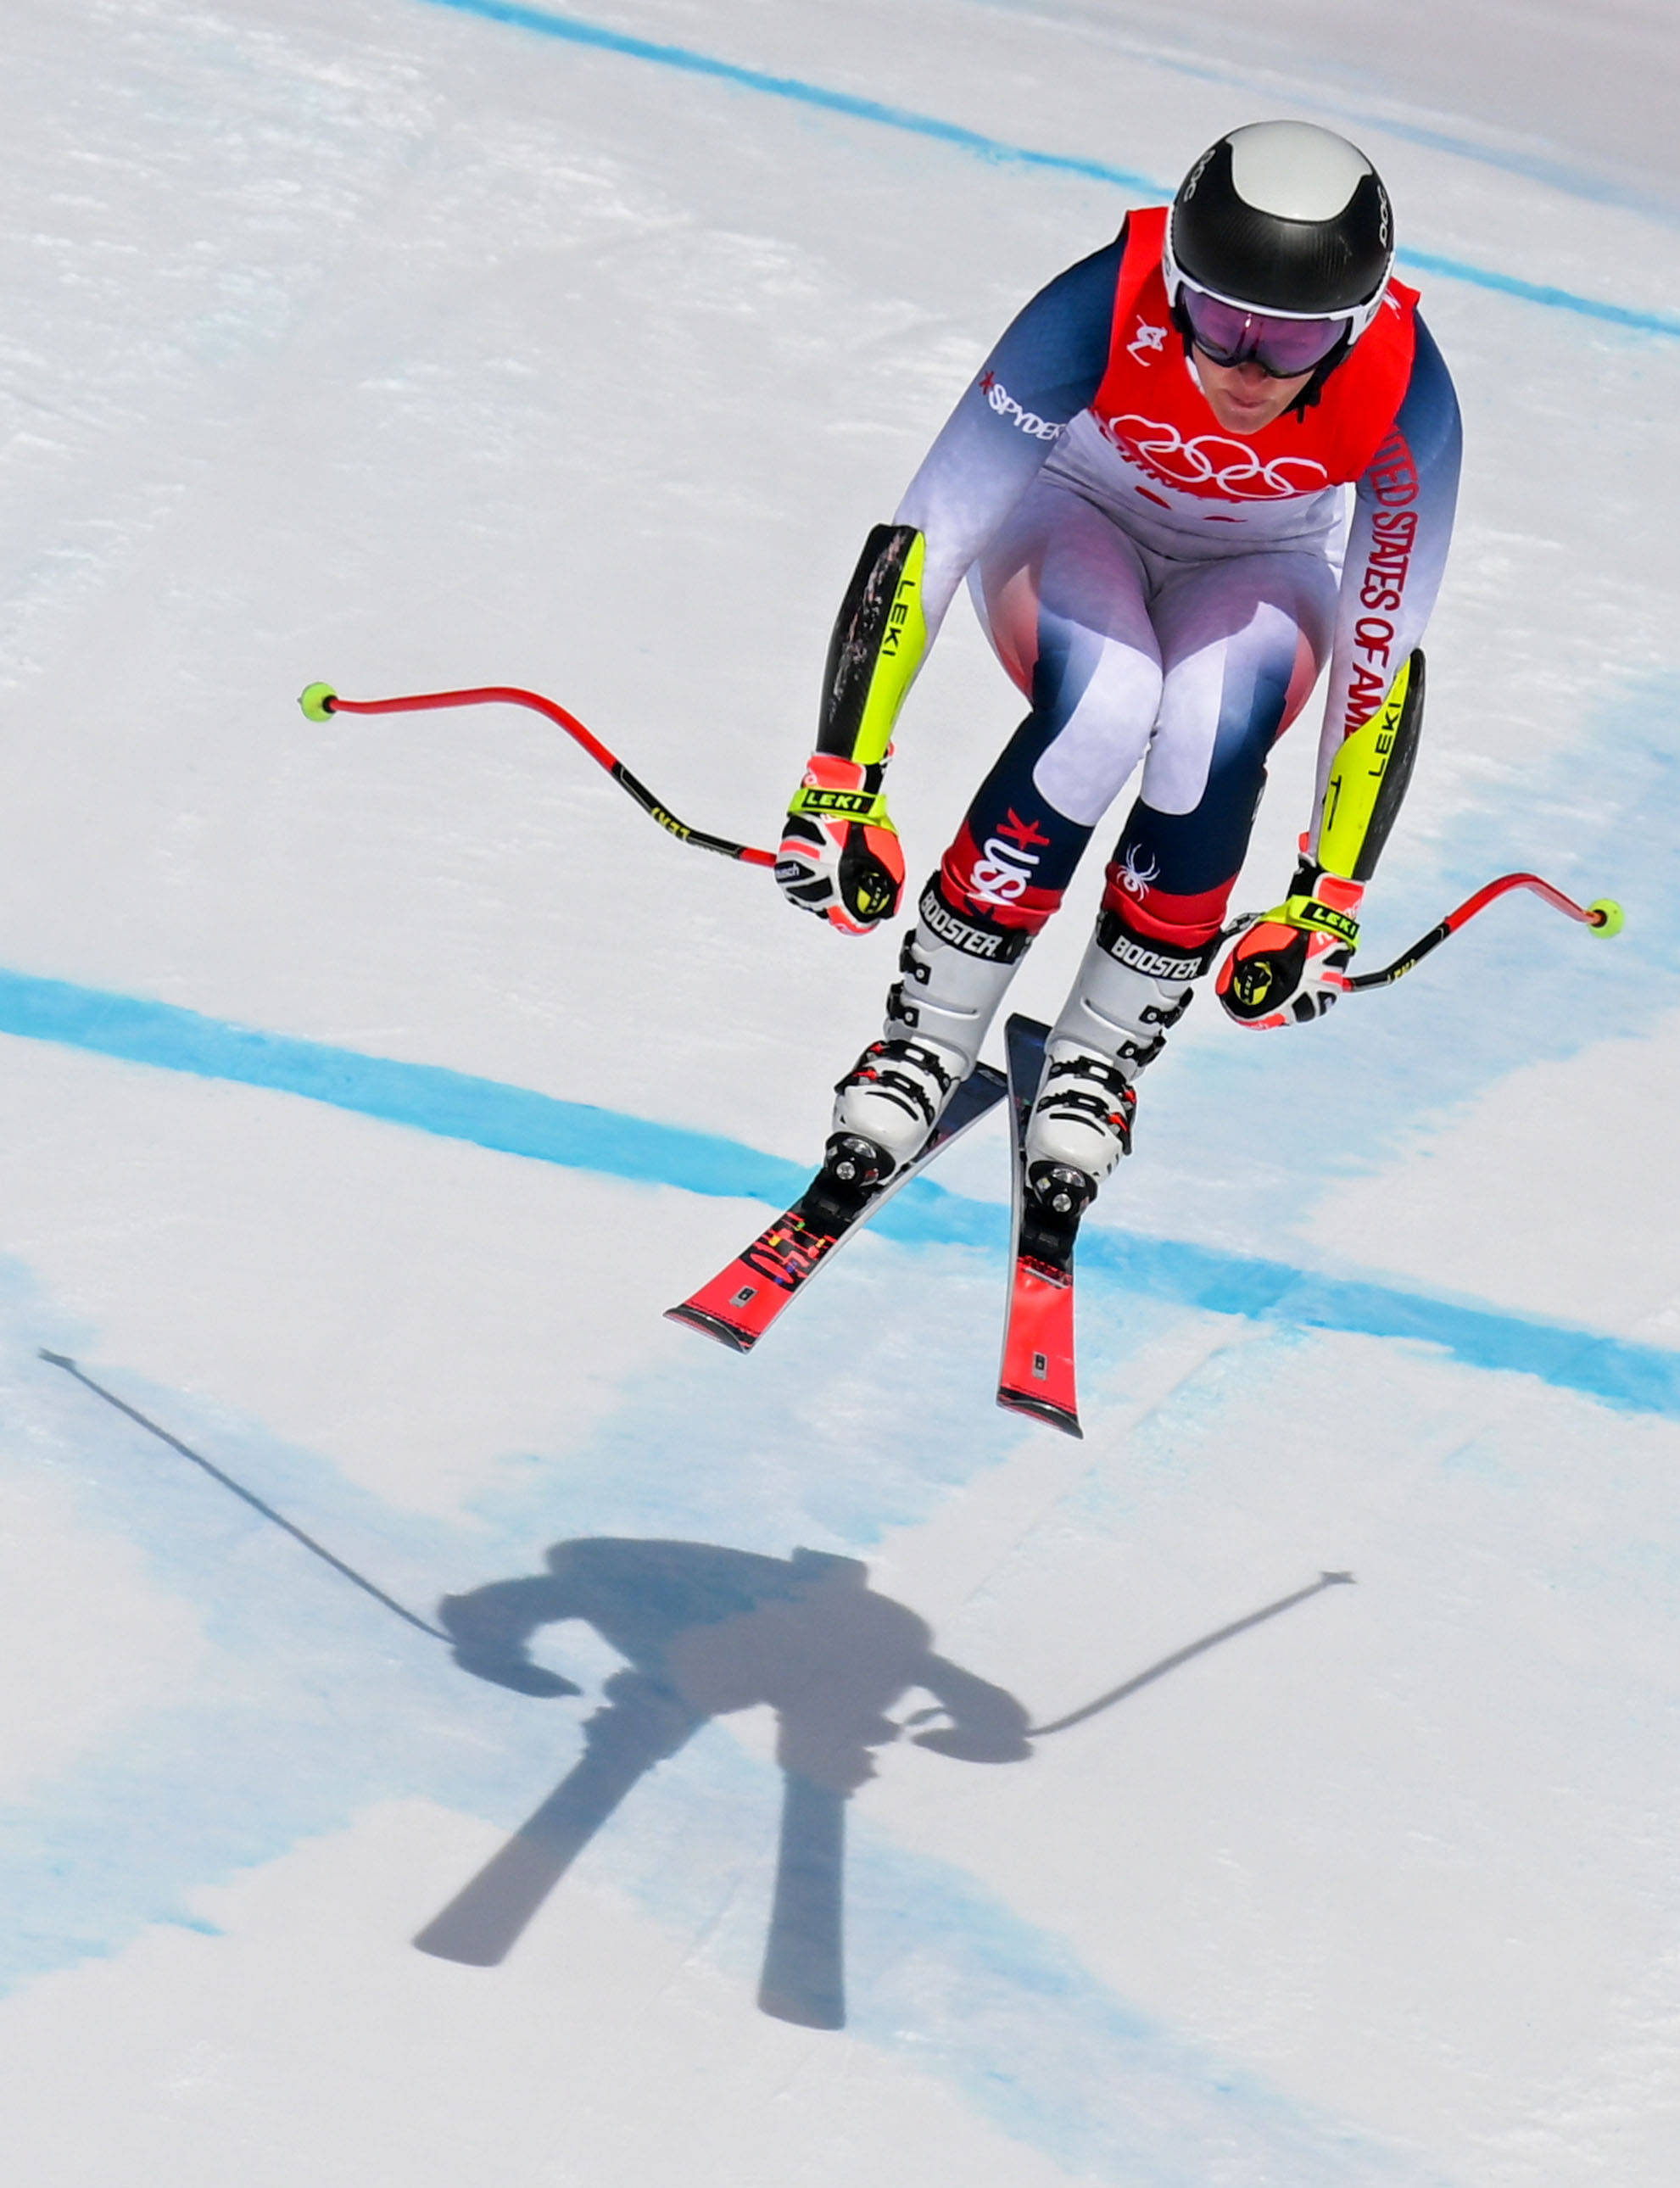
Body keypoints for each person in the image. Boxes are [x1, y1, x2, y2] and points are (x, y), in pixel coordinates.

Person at [775, 120, 1461, 1215]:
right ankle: (923, 1041)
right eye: (1214, 319)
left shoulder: (1403, 391)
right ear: (1173, 283)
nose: (1243, 366)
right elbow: (933, 535)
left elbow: (1378, 659)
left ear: (1356, 325)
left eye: (1288, 344)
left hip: (1259, 562)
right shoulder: (1097, 301)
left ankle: (1098, 1063)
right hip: (1073, 515)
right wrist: (839, 777)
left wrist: (1325, 900)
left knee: (1202, 719)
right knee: (1106, 704)